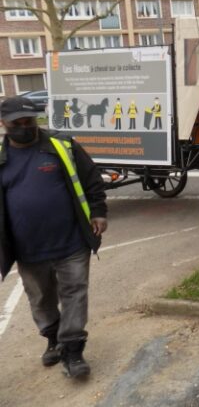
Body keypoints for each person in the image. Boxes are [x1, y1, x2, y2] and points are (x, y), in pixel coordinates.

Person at [0, 96, 108, 379]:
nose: (25, 127)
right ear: (4, 124)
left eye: (30, 121)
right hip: (27, 249)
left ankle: (73, 351)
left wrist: (98, 212)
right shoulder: (1, 158)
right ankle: (53, 339)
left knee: (75, 293)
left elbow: (91, 178)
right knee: (41, 298)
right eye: (18, 123)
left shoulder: (60, 144)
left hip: (71, 242)